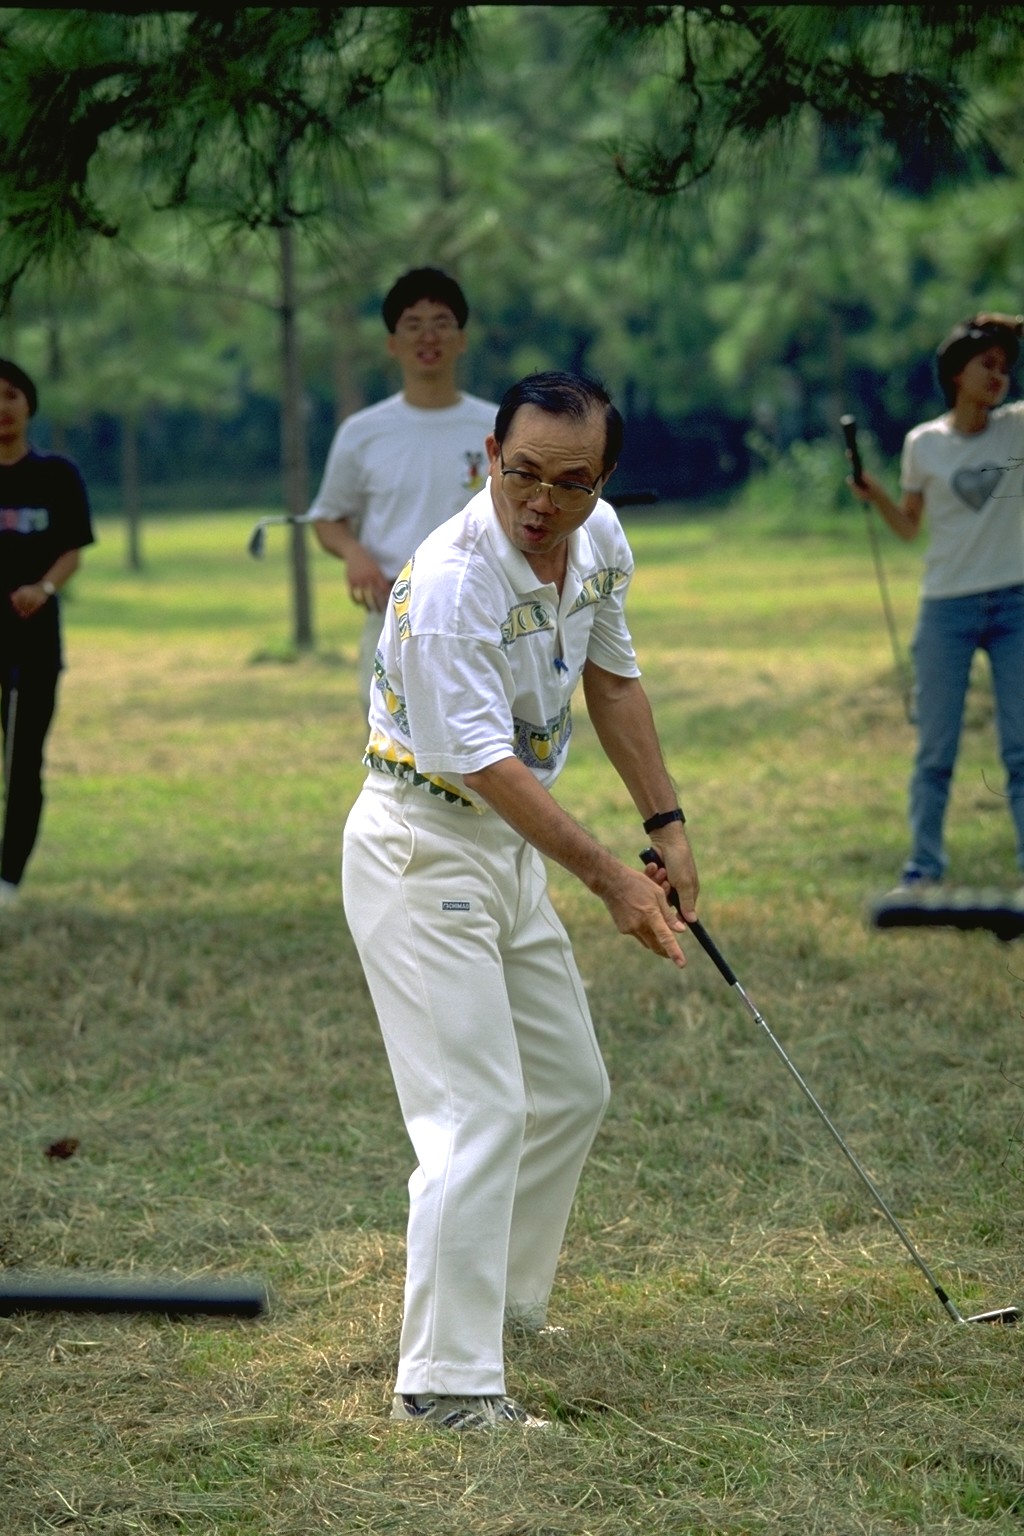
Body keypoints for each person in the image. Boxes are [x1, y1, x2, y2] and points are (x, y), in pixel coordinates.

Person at [341, 370, 700, 1431]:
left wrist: (667, 827)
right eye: (523, 472)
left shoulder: (598, 543)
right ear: (490, 457)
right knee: (477, 1112)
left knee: (570, 1088)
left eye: (571, 481)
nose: (541, 501)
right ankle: (443, 1389)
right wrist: (611, 879)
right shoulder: (454, 582)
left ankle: (492, 1306)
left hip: (505, 850)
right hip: (421, 845)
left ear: (604, 482)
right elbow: (484, 763)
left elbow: (613, 681)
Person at [849, 312, 1024, 887]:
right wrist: (875, 494)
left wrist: (1010, 326)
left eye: (1005, 367)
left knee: (1021, 752)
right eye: (986, 364)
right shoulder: (923, 443)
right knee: (935, 751)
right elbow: (908, 527)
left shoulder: (1017, 427)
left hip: (1016, 605)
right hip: (947, 606)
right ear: (955, 373)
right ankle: (924, 866)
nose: (998, 376)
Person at [308, 267, 496, 702]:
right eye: (413, 325)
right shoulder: (363, 432)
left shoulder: (497, 426)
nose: (428, 337)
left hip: (482, 612)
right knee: (391, 740)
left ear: (462, 339)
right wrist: (353, 553)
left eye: (441, 323)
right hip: (393, 612)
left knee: (483, 737)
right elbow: (328, 518)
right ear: (392, 343)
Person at [0, 359, 94, 905]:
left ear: (29, 406)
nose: (2, 408)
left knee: (22, 760)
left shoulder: (57, 475)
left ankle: (8, 877)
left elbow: (72, 550)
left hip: (33, 642)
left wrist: (44, 587)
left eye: (11, 395)